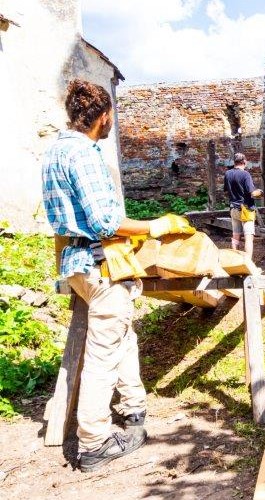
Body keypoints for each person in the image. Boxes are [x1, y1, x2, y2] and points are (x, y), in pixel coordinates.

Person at [41, 80, 196, 472]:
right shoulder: (84, 153)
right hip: (99, 261)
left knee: (122, 336)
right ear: (103, 116)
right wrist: (156, 226)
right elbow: (105, 221)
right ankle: (94, 442)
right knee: (103, 353)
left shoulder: (55, 150)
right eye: (112, 116)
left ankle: (132, 408)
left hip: (79, 261)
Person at [223, 153, 263, 259]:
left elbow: (226, 190)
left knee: (235, 235)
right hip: (246, 209)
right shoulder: (245, 174)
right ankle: (248, 262)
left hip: (233, 208)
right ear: (244, 162)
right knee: (248, 237)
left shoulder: (228, 173)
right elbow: (252, 193)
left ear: (234, 162)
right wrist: (260, 192)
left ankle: (235, 260)